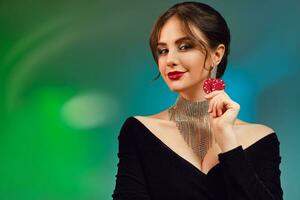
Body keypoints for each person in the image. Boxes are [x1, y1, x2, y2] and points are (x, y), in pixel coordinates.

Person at [112, 1, 283, 199]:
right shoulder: (139, 131)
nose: (170, 60)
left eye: (185, 46)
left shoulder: (262, 138)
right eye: (163, 50)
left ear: (216, 54)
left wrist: (228, 141)